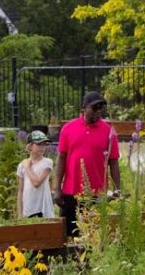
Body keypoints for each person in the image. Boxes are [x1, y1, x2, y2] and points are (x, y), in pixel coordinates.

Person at [52, 92, 121, 237]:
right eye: (95, 107)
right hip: (71, 192)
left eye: (101, 107)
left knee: (96, 236)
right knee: (69, 236)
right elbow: (61, 159)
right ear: (84, 108)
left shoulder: (108, 132)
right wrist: (57, 188)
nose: (98, 111)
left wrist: (117, 190)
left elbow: (113, 162)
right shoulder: (68, 129)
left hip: (98, 194)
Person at [16, 130, 54, 218]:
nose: (42, 147)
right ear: (30, 146)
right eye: (39, 144)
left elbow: (37, 183)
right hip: (28, 210)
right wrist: (19, 214)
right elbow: (20, 191)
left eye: (44, 144)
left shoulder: (47, 162)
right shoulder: (22, 165)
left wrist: (27, 168)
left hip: (44, 210)